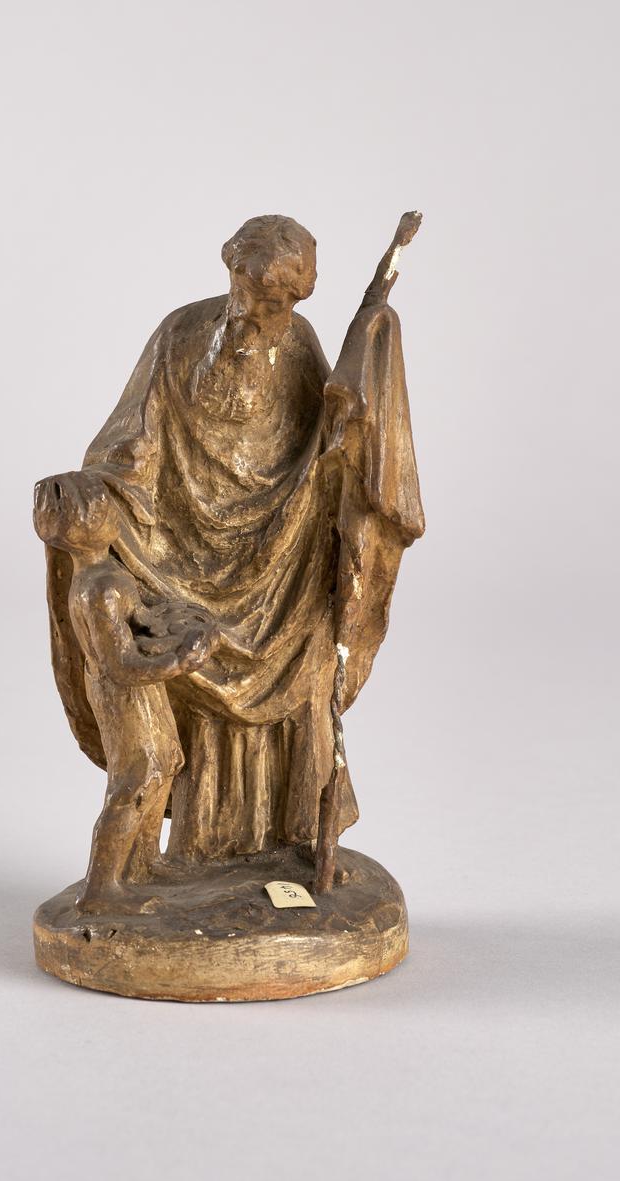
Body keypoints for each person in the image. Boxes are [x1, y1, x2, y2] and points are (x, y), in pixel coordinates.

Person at [35, 213, 422, 883]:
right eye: (263, 294)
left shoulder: (299, 341)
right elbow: (131, 442)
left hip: (280, 555)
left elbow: (324, 439)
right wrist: (97, 494)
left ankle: (288, 840)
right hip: (178, 547)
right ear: (231, 267)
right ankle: (184, 859)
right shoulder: (180, 334)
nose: (273, 312)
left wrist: (355, 418)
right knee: (181, 651)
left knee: (303, 659)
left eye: (288, 300)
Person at [34, 472, 217, 910]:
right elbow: (119, 664)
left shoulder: (108, 574)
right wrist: (177, 662)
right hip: (123, 692)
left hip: (140, 688)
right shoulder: (97, 589)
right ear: (75, 529)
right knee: (136, 779)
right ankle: (101, 888)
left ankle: (144, 861)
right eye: (97, 510)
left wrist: (170, 622)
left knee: (167, 761)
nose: (109, 515)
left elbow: (138, 620)